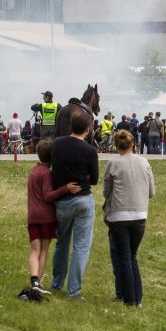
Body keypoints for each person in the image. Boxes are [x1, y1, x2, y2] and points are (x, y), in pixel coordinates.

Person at [103, 129, 155, 306]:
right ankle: (137, 297)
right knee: (132, 256)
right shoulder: (144, 162)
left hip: (119, 215)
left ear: (116, 146)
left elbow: (106, 192)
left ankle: (130, 299)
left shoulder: (113, 164)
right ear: (133, 144)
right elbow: (151, 192)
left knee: (124, 256)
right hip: (140, 214)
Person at [50, 111, 99, 298]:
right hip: (83, 199)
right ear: (88, 129)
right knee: (81, 246)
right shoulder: (89, 150)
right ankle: (74, 291)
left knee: (62, 243)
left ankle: (56, 284)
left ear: (70, 126)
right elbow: (94, 179)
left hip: (62, 200)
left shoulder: (58, 144)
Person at [26, 139, 81, 295]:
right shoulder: (46, 173)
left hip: (32, 216)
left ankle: (34, 280)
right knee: (44, 250)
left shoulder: (34, 171)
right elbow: (48, 196)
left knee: (34, 250)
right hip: (46, 217)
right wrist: (65, 188)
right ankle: (38, 283)